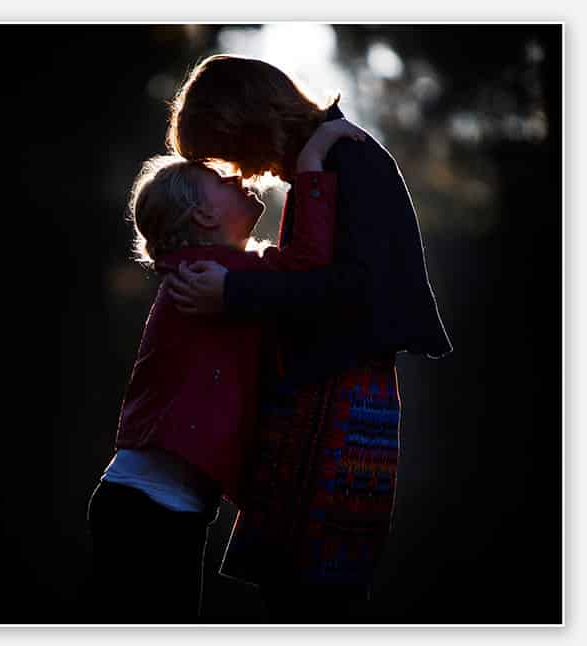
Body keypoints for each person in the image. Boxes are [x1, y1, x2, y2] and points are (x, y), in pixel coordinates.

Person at [163, 54, 452, 622]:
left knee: (316, 595)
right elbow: (309, 272)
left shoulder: (349, 159)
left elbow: (349, 292)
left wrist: (235, 294)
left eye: (224, 150)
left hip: (339, 397)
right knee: (293, 589)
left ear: (242, 121)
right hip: (319, 393)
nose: (239, 172)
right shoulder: (326, 161)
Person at [86, 118, 367, 623]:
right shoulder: (204, 275)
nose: (240, 177)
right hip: (143, 506)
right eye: (222, 179)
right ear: (200, 213)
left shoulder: (234, 275)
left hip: (173, 509)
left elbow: (287, 281)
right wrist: (310, 162)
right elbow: (306, 266)